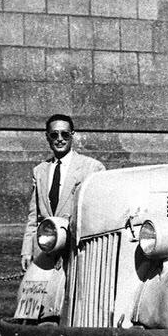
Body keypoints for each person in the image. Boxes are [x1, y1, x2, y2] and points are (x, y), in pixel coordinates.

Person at [21, 114, 106, 271]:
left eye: (65, 134)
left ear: (72, 135)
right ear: (47, 137)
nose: (60, 139)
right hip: (46, 251)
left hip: (77, 253)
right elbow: (33, 217)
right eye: (54, 135)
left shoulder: (92, 168)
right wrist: (27, 251)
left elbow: (99, 217)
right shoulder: (39, 171)